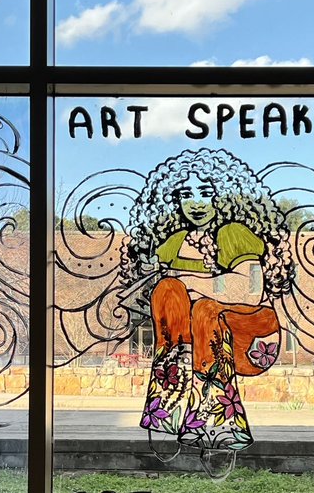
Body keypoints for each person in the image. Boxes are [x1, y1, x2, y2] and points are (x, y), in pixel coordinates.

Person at [119, 149, 294, 461]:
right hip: (196, 338)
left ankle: (217, 417)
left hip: (248, 333)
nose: (196, 203)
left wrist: (192, 281)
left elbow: (251, 292)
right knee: (168, 290)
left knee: (203, 308)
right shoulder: (175, 241)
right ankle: (170, 403)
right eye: (186, 194)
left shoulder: (233, 233)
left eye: (206, 192)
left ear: (225, 195)